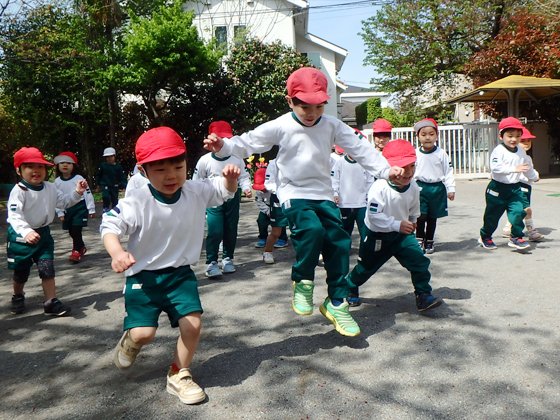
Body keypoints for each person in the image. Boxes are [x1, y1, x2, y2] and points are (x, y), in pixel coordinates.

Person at [204, 67, 403, 337]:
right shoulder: (282, 124)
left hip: (321, 192)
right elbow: (250, 142)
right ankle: (303, 281)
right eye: (304, 107)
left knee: (339, 241)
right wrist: (224, 147)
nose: (312, 114)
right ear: (290, 101)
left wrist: (385, 170)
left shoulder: (332, 124)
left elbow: (360, 149)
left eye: (319, 107)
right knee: (312, 230)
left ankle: (336, 302)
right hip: (293, 192)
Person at [100, 126, 239, 405]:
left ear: (187, 164)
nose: (171, 175)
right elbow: (109, 225)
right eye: (160, 169)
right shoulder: (137, 201)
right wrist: (117, 252)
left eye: (178, 166)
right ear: (144, 171)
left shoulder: (195, 190)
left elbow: (223, 192)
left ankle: (179, 374)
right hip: (143, 278)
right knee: (144, 334)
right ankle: (131, 340)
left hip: (180, 275)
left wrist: (230, 180)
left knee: (193, 325)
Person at [346, 140, 443, 310]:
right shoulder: (379, 187)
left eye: (412, 166)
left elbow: (414, 207)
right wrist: (396, 225)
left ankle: (423, 295)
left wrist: (412, 221)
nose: (408, 172)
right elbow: (374, 216)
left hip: (402, 235)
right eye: (402, 167)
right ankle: (350, 287)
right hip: (378, 236)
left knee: (419, 262)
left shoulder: (412, 186)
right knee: (366, 268)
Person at [7, 147, 88, 315]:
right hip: (21, 237)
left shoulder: (50, 188)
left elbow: (63, 202)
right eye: (30, 166)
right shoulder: (19, 191)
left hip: (43, 235)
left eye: (41, 166)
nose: (36, 170)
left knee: (47, 268)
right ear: (19, 170)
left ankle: (51, 301)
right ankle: (18, 295)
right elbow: (14, 216)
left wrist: (77, 193)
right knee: (21, 271)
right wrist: (26, 231)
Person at [192, 121, 252, 277]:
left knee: (231, 229)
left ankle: (228, 259)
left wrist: (246, 187)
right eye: (220, 139)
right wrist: (198, 203)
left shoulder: (236, 158)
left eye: (227, 140)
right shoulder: (205, 160)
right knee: (215, 230)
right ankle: (211, 262)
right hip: (213, 200)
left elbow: (243, 176)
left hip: (232, 198)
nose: (223, 143)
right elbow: (196, 181)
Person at [479, 117, 539, 251]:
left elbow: (527, 167)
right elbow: (495, 168)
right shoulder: (498, 151)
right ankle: (485, 236)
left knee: (518, 211)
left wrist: (534, 177)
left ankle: (516, 237)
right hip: (497, 189)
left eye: (518, 136)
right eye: (510, 136)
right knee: (492, 216)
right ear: (501, 136)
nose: (514, 139)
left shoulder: (521, 151)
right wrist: (514, 169)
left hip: (514, 189)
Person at [413, 118, 455, 254]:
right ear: (417, 136)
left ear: (437, 135)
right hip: (420, 188)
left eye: (431, 134)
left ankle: (429, 240)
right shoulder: (415, 153)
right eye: (423, 134)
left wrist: (451, 189)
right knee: (421, 216)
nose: (427, 138)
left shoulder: (441, 153)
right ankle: (419, 238)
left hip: (437, 189)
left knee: (432, 217)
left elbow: (448, 172)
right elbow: (410, 171)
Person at [501, 127, 544, 241]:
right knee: (526, 209)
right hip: (520, 185)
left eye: (528, 141)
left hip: (526, 185)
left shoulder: (526, 156)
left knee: (517, 208)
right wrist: (535, 176)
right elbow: (527, 171)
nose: (526, 143)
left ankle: (508, 227)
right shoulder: (518, 157)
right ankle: (531, 230)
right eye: (523, 141)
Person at [54, 152, 96, 263]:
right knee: (71, 231)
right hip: (67, 208)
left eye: (68, 163)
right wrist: (60, 213)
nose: (65, 165)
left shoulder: (78, 178)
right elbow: (56, 199)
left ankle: (76, 251)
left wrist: (91, 208)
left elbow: (87, 193)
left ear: (74, 165)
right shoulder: (57, 182)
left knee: (76, 229)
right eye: (62, 162)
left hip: (79, 207)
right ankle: (81, 246)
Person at [331, 152, 374, 242]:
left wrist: (368, 195)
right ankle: (343, 254)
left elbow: (370, 181)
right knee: (345, 232)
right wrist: (335, 193)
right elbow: (334, 180)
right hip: (344, 204)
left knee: (365, 233)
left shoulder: (364, 163)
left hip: (362, 204)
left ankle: (364, 255)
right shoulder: (340, 162)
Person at [253, 166, 289, 252]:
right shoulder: (259, 192)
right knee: (261, 221)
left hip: (277, 206)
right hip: (266, 208)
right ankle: (263, 237)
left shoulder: (274, 189)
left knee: (280, 222)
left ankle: (282, 238)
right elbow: (259, 202)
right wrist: (267, 211)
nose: (262, 190)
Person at [261, 158, 291, 264]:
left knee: (302, 228)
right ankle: (268, 252)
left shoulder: (299, 159)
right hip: (278, 199)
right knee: (276, 231)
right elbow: (269, 183)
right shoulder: (273, 163)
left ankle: (310, 253)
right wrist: (282, 193)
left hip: (296, 198)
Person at [97, 147, 127, 213]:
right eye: (108, 157)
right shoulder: (103, 166)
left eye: (111, 156)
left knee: (114, 198)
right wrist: (98, 183)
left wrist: (124, 185)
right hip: (105, 184)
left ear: (114, 157)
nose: (110, 158)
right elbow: (99, 175)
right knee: (106, 196)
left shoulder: (118, 167)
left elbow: (122, 176)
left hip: (115, 185)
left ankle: (114, 210)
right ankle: (105, 207)